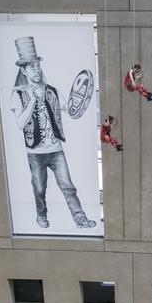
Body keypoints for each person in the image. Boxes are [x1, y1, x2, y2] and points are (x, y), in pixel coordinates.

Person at [10, 36, 96, 229]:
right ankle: (41, 216)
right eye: (31, 67)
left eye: (37, 65)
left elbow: (70, 109)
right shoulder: (17, 95)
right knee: (39, 188)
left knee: (68, 186)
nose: (36, 70)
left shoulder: (52, 91)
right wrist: (32, 101)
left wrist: (82, 97)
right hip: (35, 153)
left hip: (56, 150)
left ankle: (80, 219)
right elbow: (20, 124)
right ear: (23, 70)